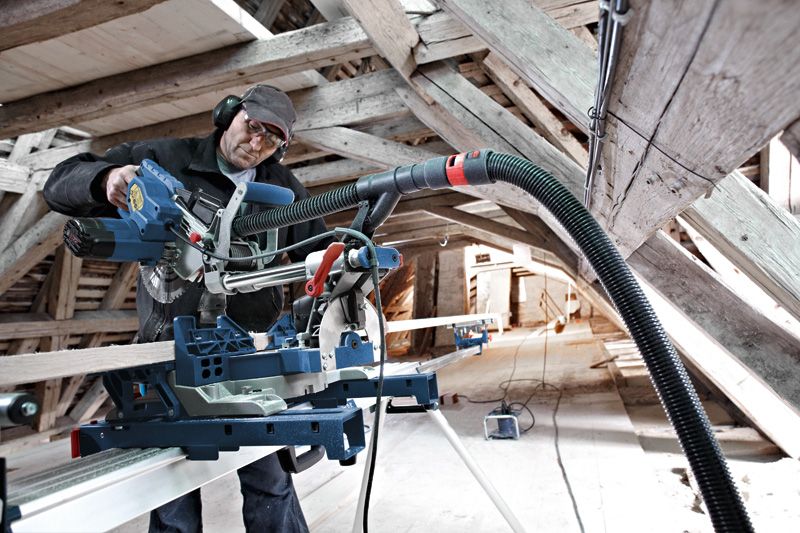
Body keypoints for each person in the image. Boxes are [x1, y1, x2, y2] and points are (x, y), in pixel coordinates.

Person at [44, 85, 328, 533]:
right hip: (166, 353)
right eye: (251, 128)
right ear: (228, 114)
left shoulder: (281, 188)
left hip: (249, 360)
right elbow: (60, 182)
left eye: (270, 140)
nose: (256, 145)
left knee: (269, 481)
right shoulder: (166, 158)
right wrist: (108, 178)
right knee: (173, 491)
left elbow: (322, 251)